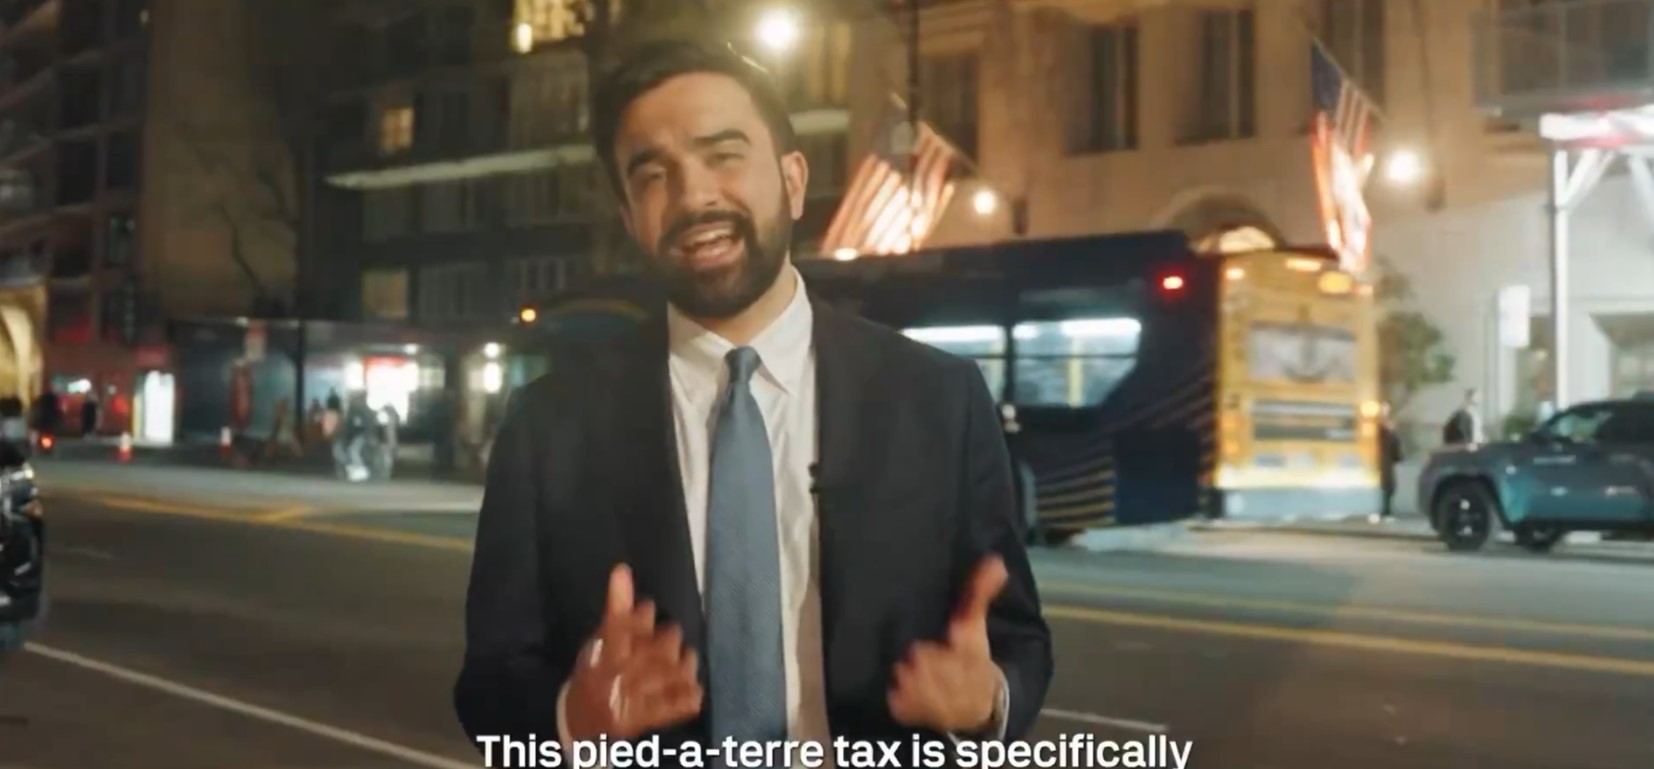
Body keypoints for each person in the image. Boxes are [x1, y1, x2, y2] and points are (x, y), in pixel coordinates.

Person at [454, 39, 1051, 764]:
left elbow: (1015, 639)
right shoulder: (549, 426)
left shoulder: (938, 399)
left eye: (724, 155)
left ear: (793, 181)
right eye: (654, 175)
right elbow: (490, 685)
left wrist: (988, 703)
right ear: (630, 216)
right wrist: (570, 721)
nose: (694, 196)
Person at [1375, 402, 1402, 523]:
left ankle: (1386, 510)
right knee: (1387, 487)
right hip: (1384, 461)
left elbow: (1395, 445)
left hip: (1388, 461)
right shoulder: (1382, 428)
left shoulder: (1389, 428)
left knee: (1390, 487)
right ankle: (1385, 511)